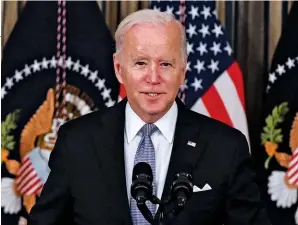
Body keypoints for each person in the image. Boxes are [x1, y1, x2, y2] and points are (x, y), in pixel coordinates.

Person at [28, 9, 271, 225]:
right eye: (141, 63)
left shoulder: (225, 147)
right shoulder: (77, 141)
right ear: (119, 68)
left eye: (165, 64)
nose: (153, 78)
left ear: (183, 71)